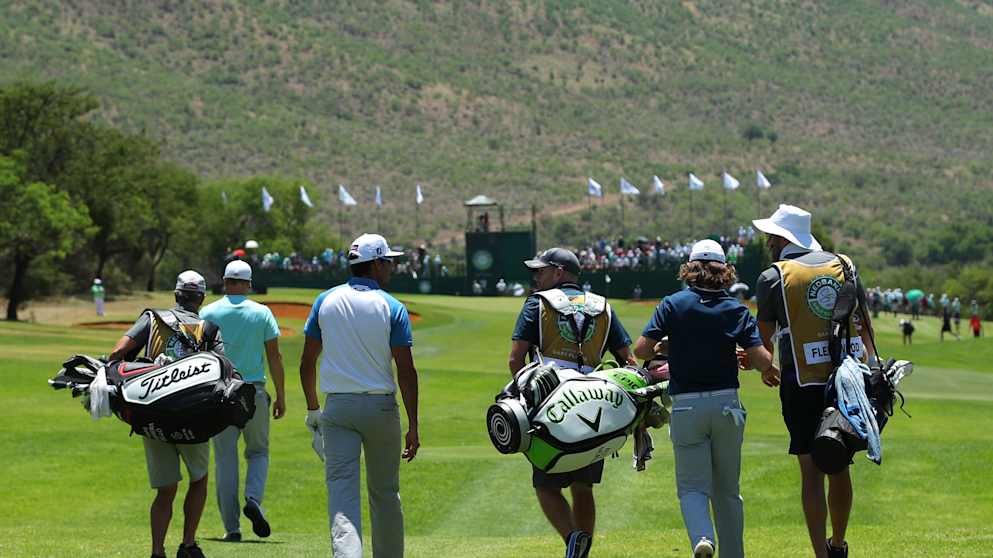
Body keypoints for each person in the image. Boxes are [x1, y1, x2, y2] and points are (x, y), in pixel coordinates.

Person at [634, 240, 775, 558]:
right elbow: (762, 360)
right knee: (728, 491)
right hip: (726, 405)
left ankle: (702, 538)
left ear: (690, 269)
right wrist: (755, 357)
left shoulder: (673, 304)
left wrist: (668, 347)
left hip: (686, 406)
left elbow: (641, 350)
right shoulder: (736, 308)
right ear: (724, 272)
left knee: (692, 486)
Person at [752, 205, 878, 558]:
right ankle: (838, 545)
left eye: (770, 237)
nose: (768, 242)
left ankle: (821, 555)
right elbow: (865, 325)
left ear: (781, 239)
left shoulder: (772, 277)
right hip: (848, 381)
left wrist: (763, 366)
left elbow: (764, 344)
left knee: (811, 471)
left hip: (801, 383)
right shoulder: (845, 265)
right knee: (839, 464)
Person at [508, 247, 636, 558]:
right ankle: (582, 550)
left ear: (559, 273)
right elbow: (628, 362)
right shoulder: (602, 306)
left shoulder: (536, 304)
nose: (536, 277)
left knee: (546, 486)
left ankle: (572, 540)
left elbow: (515, 359)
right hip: (594, 405)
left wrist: (526, 398)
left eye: (541, 271)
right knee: (583, 487)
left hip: (553, 405)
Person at [299, 233, 419, 558]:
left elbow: (307, 362)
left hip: (338, 409)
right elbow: (406, 370)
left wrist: (313, 409)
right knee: (385, 493)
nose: (391, 267)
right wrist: (414, 424)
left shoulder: (325, 301)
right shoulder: (392, 306)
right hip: (381, 409)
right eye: (388, 261)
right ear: (376, 264)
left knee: (342, 494)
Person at [107, 270, 222, 558]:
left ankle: (158, 552)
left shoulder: (153, 319)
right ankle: (188, 545)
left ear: (176, 295)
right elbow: (224, 369)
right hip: (193, 419)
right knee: (198, 480)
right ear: (202, 298)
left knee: (165, 489)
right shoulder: (210, 328)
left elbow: (117, 352)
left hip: (154, 416)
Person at [200, 260, 286, 542]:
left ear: (225, 282)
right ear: (249, 284)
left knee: (225, 461)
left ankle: (232, 528)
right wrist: (281, 395)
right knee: (258, 452)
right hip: (254, 392)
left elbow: (199, 359)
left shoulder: (208, 312)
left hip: (219, 393)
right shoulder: (262, 313)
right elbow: (274, 357)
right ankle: (253, 499)